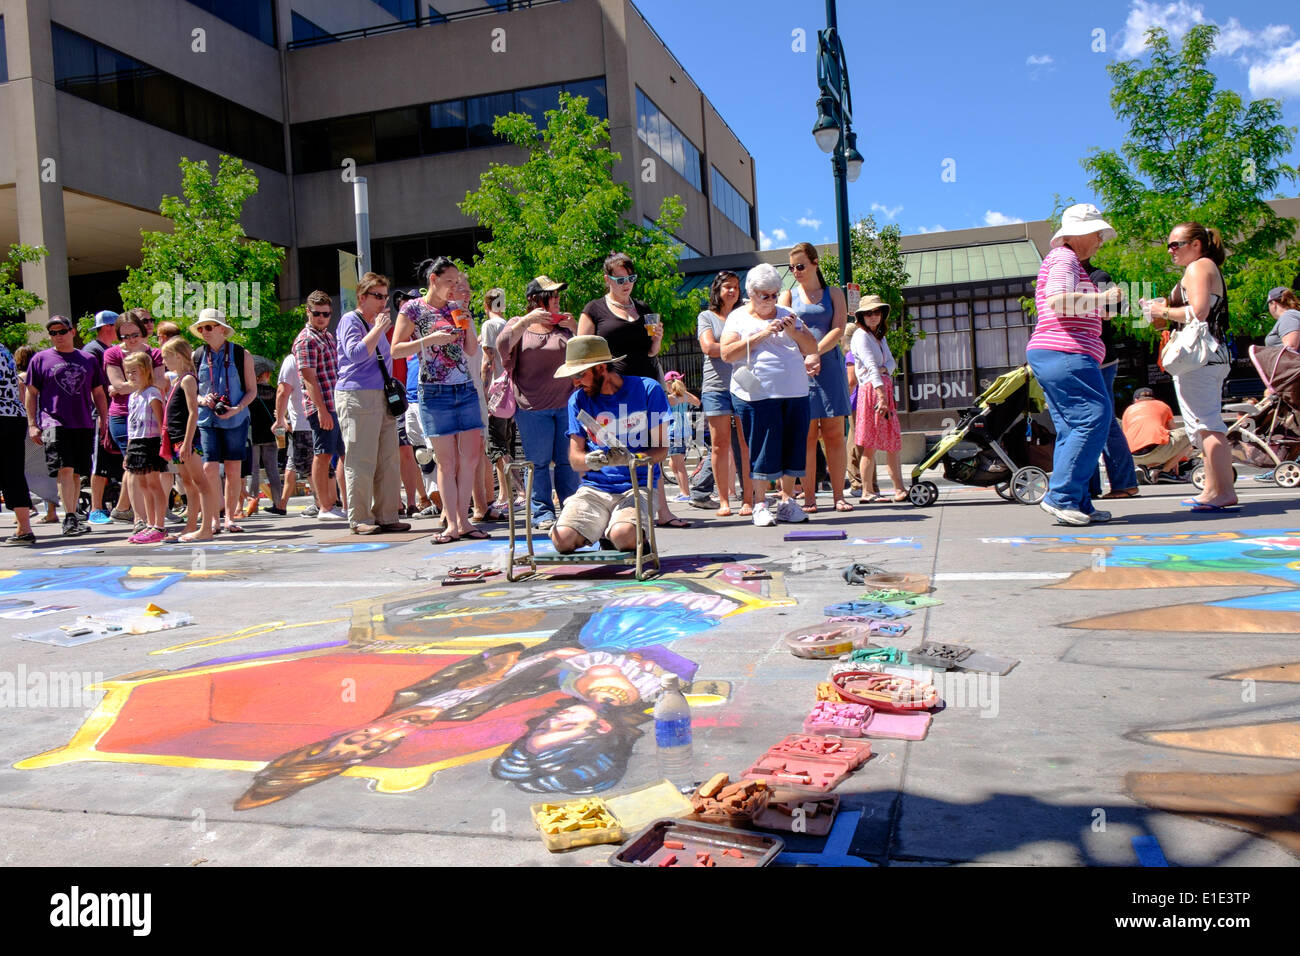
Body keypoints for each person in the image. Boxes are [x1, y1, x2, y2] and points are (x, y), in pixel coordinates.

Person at [1026, 203, 1125, 526]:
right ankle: (1063, 496)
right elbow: (1058, 300)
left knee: (1075, 427)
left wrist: (1104, 307)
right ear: (1078, 234)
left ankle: (1077, 500)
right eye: (1097, 233)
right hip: (1066, 352)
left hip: (1059, 352)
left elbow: (1068, 303)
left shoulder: (1069, 262)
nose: (1101, 238)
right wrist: (1103, 299)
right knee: (1094, 418)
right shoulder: (1064, 259)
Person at [719, 263, 820, 527]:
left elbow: (812, 347)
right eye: (765, 295)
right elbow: (727, 354)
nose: (771, 300)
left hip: (794, 390)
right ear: (751, 294)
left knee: (792, 446)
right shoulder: (738, 317)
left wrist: (792, 331)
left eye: (775, 294)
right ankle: (760, 503)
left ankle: (787, 502)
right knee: (763, 447)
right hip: (756, 394)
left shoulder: (789, 314)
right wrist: (762, 334)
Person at [392, 256, 485, 544]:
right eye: (449, 282)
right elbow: (396, 349)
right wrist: (430, 340)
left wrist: (469, 326)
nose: (454, 288)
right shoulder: (413, 309)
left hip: (464, 388)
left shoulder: (456, 308)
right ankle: (452, 524)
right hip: (434, 392)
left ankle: (464, 521)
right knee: (447, 463)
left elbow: (470, 351)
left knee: (469, 459)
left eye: (457, 283)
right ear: (433, 280)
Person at [550, 335, 669, 554]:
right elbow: (575, 460)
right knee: (562, 540)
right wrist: (589, 460)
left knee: (623, 536)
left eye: (580, 374)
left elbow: (662, 450)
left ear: (601, 368)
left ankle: (620, 533)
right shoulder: (578, 400)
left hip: (637, 485)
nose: (575, 382)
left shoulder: (647, 390)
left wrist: (634, 459)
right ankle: (608, 529)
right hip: (595, 488)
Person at [1144, 222, 1234, 511]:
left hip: (1201, 357)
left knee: (1207, 425)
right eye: (1168, 244)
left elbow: (1199, 312)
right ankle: (1212, 489)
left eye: (1176, 244)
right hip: (1206, 356)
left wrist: (1163, 310)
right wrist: (1162, 313)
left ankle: (1223, 491)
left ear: (1196, 244)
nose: (1170, 250)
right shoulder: (1202, 267)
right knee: (1200, 427)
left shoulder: (1198, 267)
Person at [496, 276, 579, 531]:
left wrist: (575, 328)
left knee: (567, 461)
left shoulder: (563, 326)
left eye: (557, 295)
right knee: (538, 463)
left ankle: (571, 508)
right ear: (535, 299)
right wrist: (526, 322)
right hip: (531, 407)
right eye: (551, 295)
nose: (556, 299)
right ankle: (542, 512)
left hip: (566, 404)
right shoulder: (518, 324)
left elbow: (586, 352)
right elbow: (502, 346)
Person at [334, 271, 410, 535]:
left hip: (381, 396)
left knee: (388, 458)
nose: (383, 302)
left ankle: (387, 514)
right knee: (360, 458)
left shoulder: (378, 326)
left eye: (385, 296)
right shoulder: (349, 321)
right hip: (356, 397)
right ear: (362, 297)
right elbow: (355, 354)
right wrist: (378, 328)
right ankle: (360, 517)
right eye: (377, 296)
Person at [781, 242, 853, 513]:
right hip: (799, 368)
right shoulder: (788, 296)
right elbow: (783, 330)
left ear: (815, 263)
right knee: (807, 435)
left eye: (800, 266)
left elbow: (839, 328)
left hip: (830, 366)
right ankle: (808, 497)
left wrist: (816, 353)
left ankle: (838, 496)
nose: (796, 271)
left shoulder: (833, 293)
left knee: (834, 433)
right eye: (792, 268)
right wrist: (805, 356)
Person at [24, 316, 109, 536]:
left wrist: (104, 419)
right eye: (53, 333)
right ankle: (69, 517)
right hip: (54, 421)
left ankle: (73, 515)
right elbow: (31, 393)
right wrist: (32, 424)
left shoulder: (88, 359)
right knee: (65, 468)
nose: (58, 336)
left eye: (62, 331)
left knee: (76, 472)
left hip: (82, 421)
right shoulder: (40, 359)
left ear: (72, 332)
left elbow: (98, 392)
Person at [191, 308, 257, 534]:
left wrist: (236, 408)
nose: (204, 332)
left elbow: (252, 391)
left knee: (233, 469)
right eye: (201, 328)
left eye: (208, 327)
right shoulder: (197, 355)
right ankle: (212, 519)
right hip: (207, 419)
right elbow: (191, 392)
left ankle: (229, 517)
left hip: (236, 419)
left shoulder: (241, 354)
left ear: (222, 329)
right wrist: (202, 399)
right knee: (209, 467)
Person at [696, 270, 754, 516]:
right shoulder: (707, 316)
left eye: (736, 287)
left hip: (743, 384)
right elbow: (708, 347)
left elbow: (756, 343)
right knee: (720, 445)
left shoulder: (745, 315)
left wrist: (731, 348)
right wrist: (738, 347)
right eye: (727, 287)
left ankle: (749, 499)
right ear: (717, 290)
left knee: (746, 443)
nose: (732, 291)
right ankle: (723, 501)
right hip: (716, 386)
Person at [1083, 260, 1140, 501]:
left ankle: (1124, 482)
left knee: (1104, 422)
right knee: (1089, 422)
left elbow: (1115, 309)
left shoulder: (1097, 275)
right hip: (1088, 357)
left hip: (1100, 358)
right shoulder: (1068, 277)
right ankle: (1091, 486)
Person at [103, 310, 164, 531]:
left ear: (143, 330)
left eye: (134, 334)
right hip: (122, 415)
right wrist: (130, 385)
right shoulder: (111, 354)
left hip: (150, 414)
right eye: (124, 336)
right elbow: (118, 385)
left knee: (147, 472)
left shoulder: (155, 353)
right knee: (132, 468)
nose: (130, 340)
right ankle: (139, 519)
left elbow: (159, 382)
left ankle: (152, 518)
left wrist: (124, 387)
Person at [292, 291, 347, 520]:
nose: (322, 317)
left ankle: (344, 503)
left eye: (326, 313)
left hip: (338, 403)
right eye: (317, 313)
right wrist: (322, 410)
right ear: (308, 312)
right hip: (322, 406)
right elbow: (309, 379)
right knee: (323, 454)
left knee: (345, 454)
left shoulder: (327, 335)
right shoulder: (306, 339)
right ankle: (324, 506)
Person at [849, 295, 908, 502]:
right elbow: (872, 368)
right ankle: (867, 490)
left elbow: (891, 363)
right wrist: (881, 394)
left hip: (883, 389)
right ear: (861, 316)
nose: (873, 317)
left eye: (876, 312)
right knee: (870, 444)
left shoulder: (879, 337)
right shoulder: (861, 336)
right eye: (868, 313)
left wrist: (884, 371)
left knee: (893, 442)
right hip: (873, 391)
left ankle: (899, 488)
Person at [161, 338, 217, 542]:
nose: (164, 361)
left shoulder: (187, 379)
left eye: (166, 356)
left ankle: (206, 529)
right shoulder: (178, 380)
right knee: (188, 483)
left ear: (178, 356)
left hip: (187, 440)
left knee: (200, 482)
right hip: (177, 439)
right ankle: (191, 525)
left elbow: (193, 412)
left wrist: (187, 442)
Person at [578, 252, 663, 381]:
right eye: (621, 280)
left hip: (645, 385)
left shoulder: (643, 309)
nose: (627, 284)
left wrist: (657, 339)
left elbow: (651, 352)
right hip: (613, 388)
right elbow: (582, 354)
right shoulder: (594, 309)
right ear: (607, 279)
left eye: (631, 278)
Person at [121, 352, 168, 543]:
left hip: (151, 441)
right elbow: (131, 426)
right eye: (128, 372)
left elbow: (160, 419)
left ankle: (159, 525)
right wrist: (129, 451)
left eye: (134, 371)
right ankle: (149, 523)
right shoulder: (133, 396)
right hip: (136, 442)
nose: (130, 376)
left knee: (153, 484)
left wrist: (164, 445)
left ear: (146, 371)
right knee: (142, 485)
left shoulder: (153, 393)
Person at [14, 345, 60, 525]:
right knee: (46, 467)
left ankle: (26, 506)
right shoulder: (41, 377)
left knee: (23, 468)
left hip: (27, 425)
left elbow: (20, 402)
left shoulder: (21, 379)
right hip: (46, 423)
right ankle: (51, 510)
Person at [479, 287, 514, 521]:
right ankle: (507, 491)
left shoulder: (489, 326)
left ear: (485, 306)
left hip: (496, 391)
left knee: (497, 443)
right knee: (507, 440)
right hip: (512, 390)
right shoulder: (511, 324)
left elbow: (487, 361)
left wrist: (482, 390)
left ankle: (506, 492)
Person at [274, 348, 317, 516]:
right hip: (317, 419)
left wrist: (280, 420)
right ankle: (283, 504)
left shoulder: (292, 360)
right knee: (308, 464)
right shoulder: (319, 355)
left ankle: (323, 502)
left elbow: (283, 391)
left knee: (307, 467)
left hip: (303, 422)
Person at [1, 342, 36, 545]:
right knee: (13, 472)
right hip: (14, 416)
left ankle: (24, 528)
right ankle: (24, 528)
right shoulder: (4, 350)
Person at [244, 355, 284, 518]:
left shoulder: (250, 394)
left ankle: (253, 502)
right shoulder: (275, 393)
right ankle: (278, 501)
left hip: (254, 436)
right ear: (265, 375)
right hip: (271, 435)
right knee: (273, 470)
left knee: (253, 471)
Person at [1122, 387, 1192, 479]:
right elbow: (1174, 431)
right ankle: (1166, 471)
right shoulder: (1162, 405)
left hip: (1133, 456)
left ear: (1135, 399)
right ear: (1153, 398)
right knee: (1192, 434)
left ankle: (1141, 467)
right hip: (1157, 451)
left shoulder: (1128, 411)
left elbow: (1124, 437)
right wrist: (1176, 469)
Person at [663, 372, 699, 501]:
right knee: (673, 463)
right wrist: (684, 393)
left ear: (667, 384)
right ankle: (683, 492)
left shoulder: (669, 399)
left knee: (679, 465)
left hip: (674, 432)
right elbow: (697, 402)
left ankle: (685, 494)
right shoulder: (684, 396)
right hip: (684, 432)